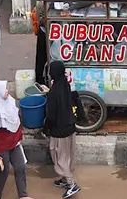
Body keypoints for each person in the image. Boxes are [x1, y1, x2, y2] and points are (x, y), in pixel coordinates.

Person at [0, 79, 31, 199]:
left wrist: (19, 137)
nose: (6, 91)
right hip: (1, 148)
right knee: (3, 173)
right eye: (3, 89)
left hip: (14, 144)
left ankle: (23, 195)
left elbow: (16, 123)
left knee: (21, 167)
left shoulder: (10, 102)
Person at [44, 61, 81, 198]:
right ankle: (65, 179)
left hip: (59, 130)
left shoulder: (53, 93)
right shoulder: (65, 84)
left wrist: (46, 128)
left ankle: (72, 184)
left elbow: (51, 115)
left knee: (60, 158)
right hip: (70, 127)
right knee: (69, 155)